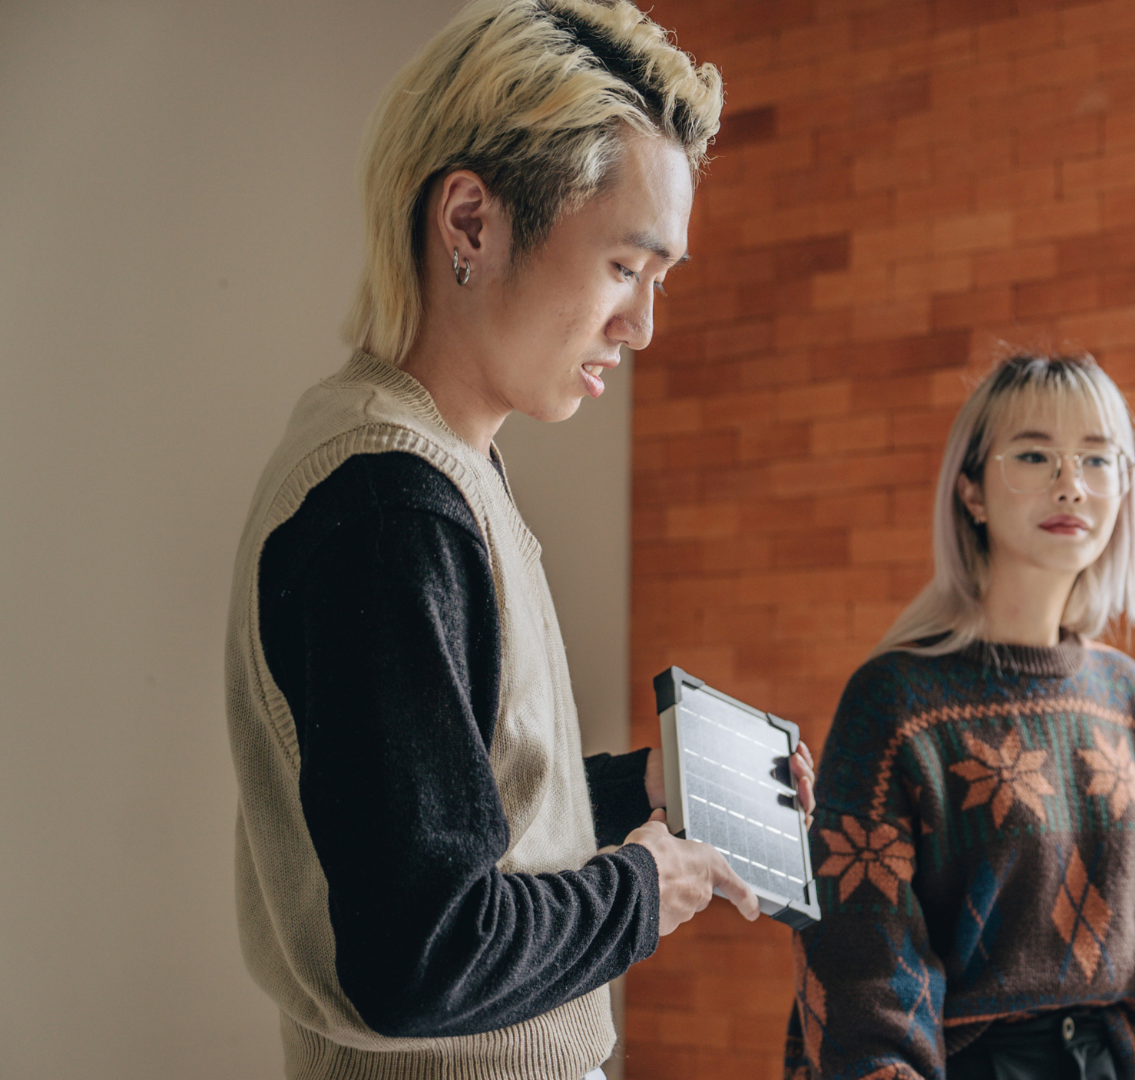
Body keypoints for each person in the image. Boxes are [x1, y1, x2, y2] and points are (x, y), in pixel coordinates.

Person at [222, 2, 813, 1077]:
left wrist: (650, 792)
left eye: (658, 280)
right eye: (626, 269)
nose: (642, 328)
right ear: (470, 224)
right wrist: (645, 889)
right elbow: (426, 951)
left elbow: (457, 823)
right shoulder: (388, 506)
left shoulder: (440, 470)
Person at [784, 354, 1135, 1080]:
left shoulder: (1121, 690)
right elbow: (865, 970)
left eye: (1097, 459)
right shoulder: (894, 700)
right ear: (970, 491)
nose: (1070, 482)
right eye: (1035, 454)